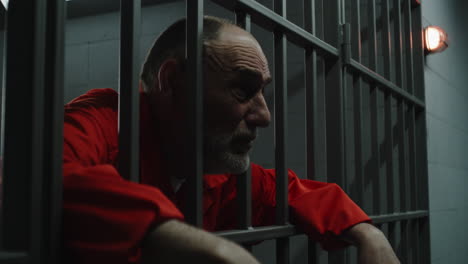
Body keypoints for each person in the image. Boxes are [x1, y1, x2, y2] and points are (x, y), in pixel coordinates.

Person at [62, 16, 400, 264]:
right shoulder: (105, 121)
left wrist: (368, 233)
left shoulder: (210, 167)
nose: (264, 116)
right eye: (242, 89)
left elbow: (288, 191)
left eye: (262, 92)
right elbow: (33, 179)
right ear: (172, 81)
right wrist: (212, 248)